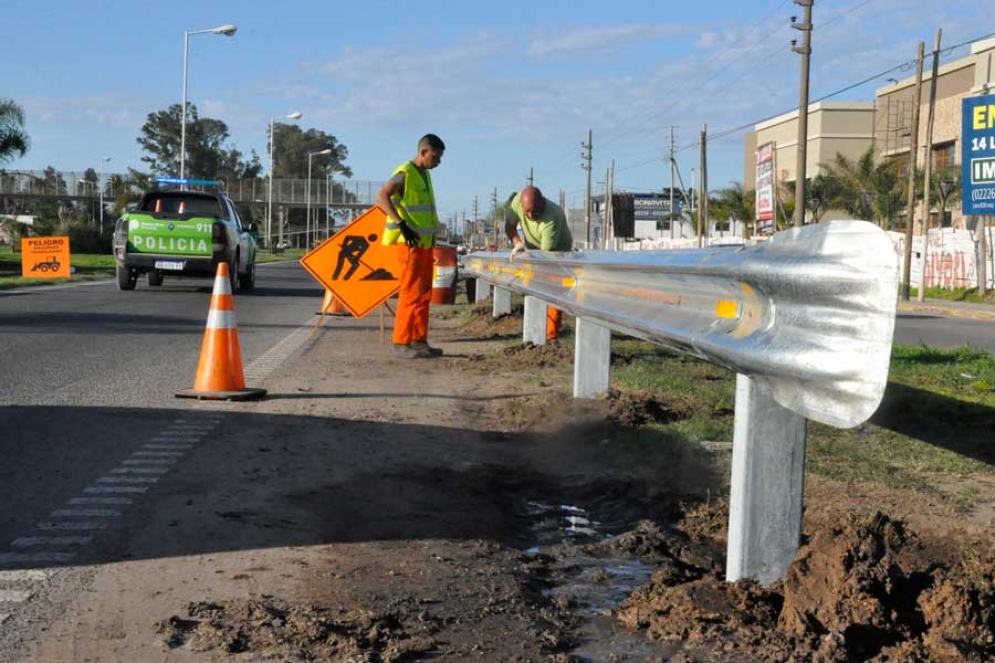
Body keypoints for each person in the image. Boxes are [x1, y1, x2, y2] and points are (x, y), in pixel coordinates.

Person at [376, 133, 445, 359]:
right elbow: (382, 197)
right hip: (410, 245)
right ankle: (401, 341)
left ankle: (418, 340)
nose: (438, 162)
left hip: (424, 245)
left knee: (424, 294)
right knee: (410, 294)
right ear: (424, 152)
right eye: (435, 157)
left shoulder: (423, 174)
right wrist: (401, 223)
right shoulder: (405, 172)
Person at [504, 185, 573, 342]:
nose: (530, 215)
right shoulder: (517, 202)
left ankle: (550, 336)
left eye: (534, 211)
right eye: (526, 211)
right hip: (534, 248)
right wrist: (517, 243)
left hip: (556, 252)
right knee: (532, 287)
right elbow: (509, 226)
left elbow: (545, 256)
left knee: (551, 289)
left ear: (542, 204)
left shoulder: (552, 216)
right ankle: (533, 330)